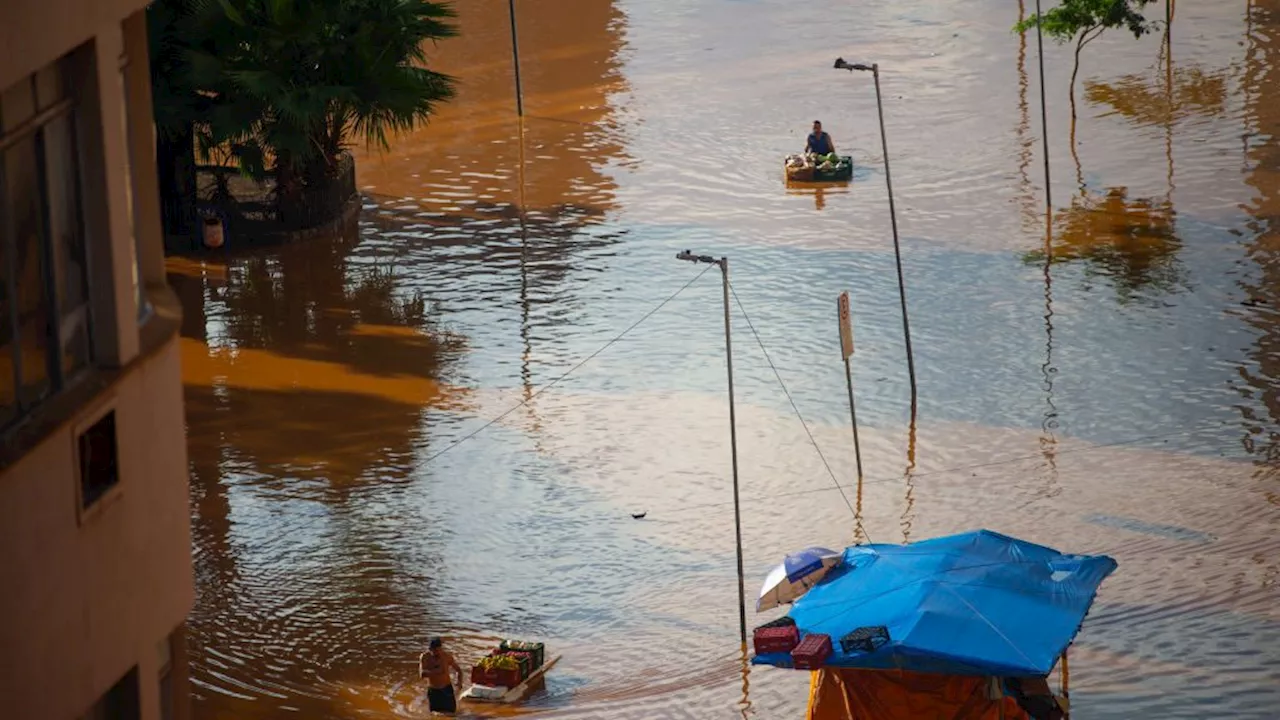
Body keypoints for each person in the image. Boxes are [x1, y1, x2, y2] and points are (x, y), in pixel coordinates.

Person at [419, 637, 463, 715]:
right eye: (434, 650)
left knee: (452, 714)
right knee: (434, 715)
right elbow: (422, 675)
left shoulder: (446, 656)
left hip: (447, 690)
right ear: (430, 649)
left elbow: (458, 670)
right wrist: (437, 671)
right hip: (433, 691)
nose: (437, 652)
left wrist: (459, 682)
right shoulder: (425, 657)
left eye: (439, 650)